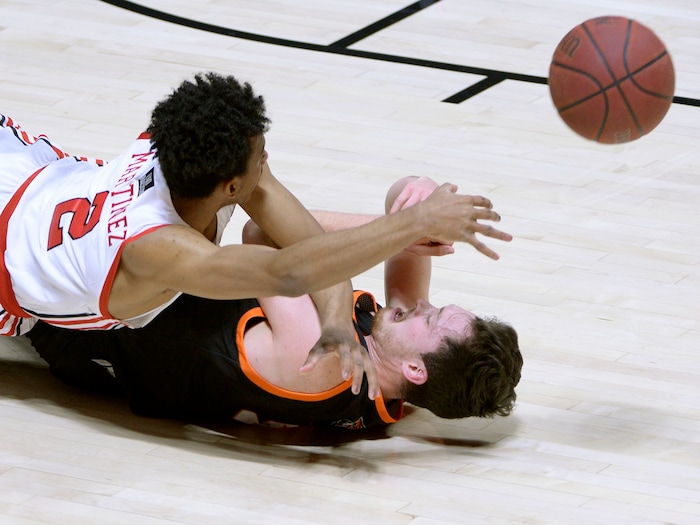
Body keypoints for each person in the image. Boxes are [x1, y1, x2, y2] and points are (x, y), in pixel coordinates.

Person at [1, 72, 511, 395]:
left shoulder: (186, 148)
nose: (266, 161)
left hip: (30, 174)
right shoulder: (161, 250)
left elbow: (303, 251)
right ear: (231, 185)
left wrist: (337, 316)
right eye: (259, 157)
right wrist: (412, 222)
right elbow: (285, 269)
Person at [26, 176, 522, 430]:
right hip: (139, 273)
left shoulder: (331, 366)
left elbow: (260, 239)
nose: (421, 306)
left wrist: (398, 232)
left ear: (417, 370)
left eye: (431, 318)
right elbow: (406, 190)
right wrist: (414, 209)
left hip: (81, 318)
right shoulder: (396, 366)